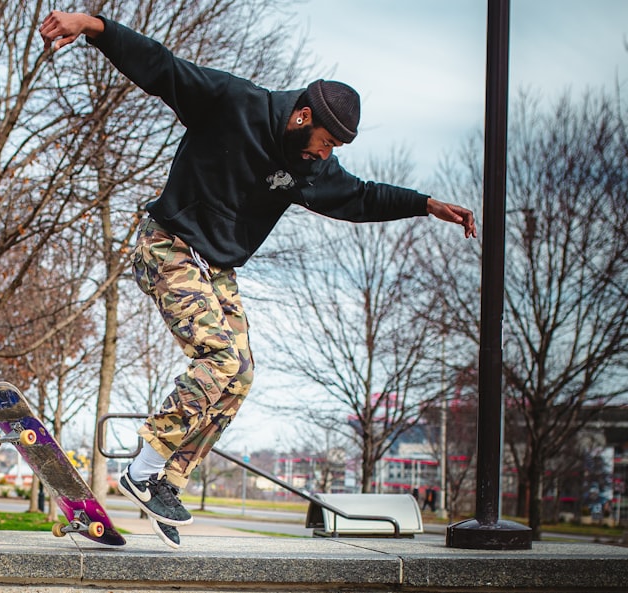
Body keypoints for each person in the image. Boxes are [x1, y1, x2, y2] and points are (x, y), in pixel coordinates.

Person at [38, 11, 478, 549]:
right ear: (303, 116)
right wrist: (94, 25)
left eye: (334, 150)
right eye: (325, 141)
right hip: (169, 246)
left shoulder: (310, 169)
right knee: (217, 358)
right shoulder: (232, 101)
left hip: (216, 270)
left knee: (241, 374)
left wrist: (424, 204)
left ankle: (164, 480)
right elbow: (161, 68)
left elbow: (359, 197)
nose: (325, 154)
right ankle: (143, 464)